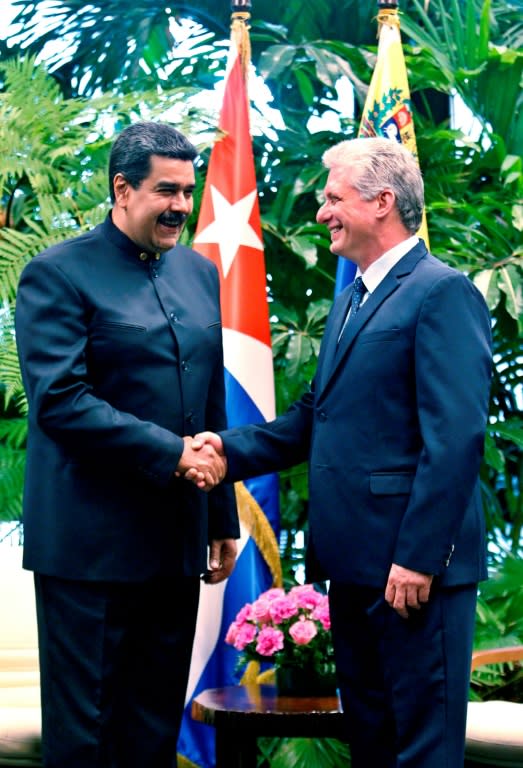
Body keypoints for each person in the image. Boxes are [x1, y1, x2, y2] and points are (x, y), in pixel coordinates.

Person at [187, 137, 493, 768]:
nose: (321, 211)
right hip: (354, 567)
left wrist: (418, 558)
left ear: (383, 202)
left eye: (333, 198)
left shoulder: (442, 292)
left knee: (421, 749)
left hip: (413, 575)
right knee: (374, 745)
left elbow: (455, 437)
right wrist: (225, 449)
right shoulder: (354, 297)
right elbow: (315, 418)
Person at [15, 121, 238, 768]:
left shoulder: (199, 273)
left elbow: (209, 406)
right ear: (122, 188)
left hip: (174, 543)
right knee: (86, 735)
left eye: (188, 191)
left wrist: (219, 515)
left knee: (152, 729)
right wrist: (171, 453)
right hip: (88, 551)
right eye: (166, 190)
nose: (180, 206)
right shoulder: (56, 274)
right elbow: (60, 401)